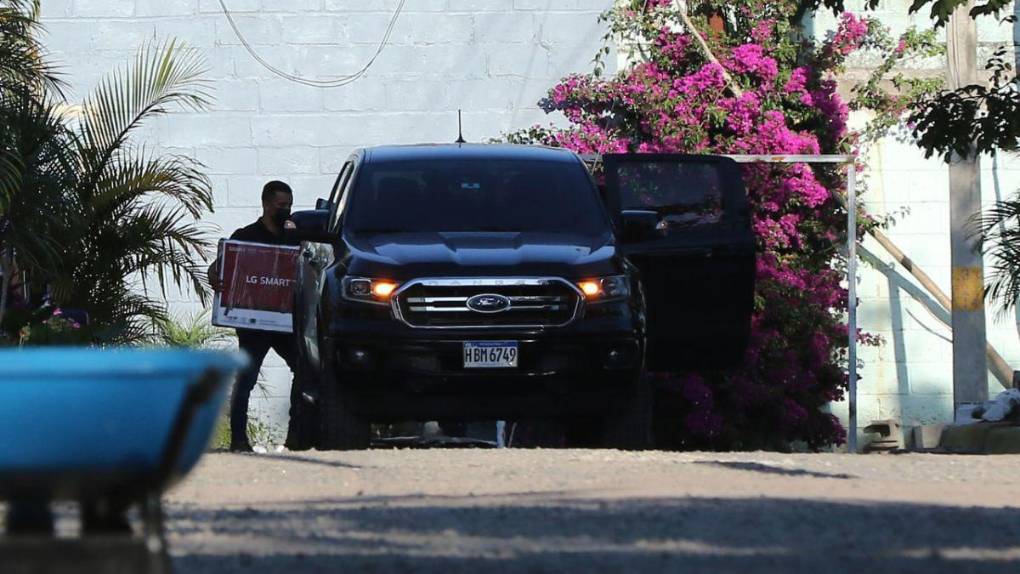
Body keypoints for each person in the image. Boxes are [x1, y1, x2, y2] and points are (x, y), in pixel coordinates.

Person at [208, 180, 313, 452]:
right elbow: (220, 265)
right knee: (246, 379)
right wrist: (215, 278)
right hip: (252, 324)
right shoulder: (246, 235)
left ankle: (296, 436)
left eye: (289, 205)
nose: (286, 210)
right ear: (266, 204)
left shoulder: (294, 237)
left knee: (305, 372)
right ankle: (239, 440)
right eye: (281, 205)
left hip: (285, 321)